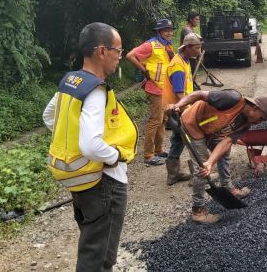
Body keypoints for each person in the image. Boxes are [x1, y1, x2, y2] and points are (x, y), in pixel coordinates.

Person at [43, 22, 137, 271]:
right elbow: (91, 145)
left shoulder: (71, 81)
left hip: (83, 182)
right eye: (118, 50)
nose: (120, 56)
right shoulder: (96, 90)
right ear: (102, 51)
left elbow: (49, 116)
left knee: (91, 245)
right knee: (99, 258)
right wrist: (114, 156)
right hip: (103, 183)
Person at [167, 90, 267, 224]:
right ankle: (198, 211)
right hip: (192, 123)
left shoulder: (246, 124)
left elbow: (227, 142)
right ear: (255, 108)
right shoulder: (231, 99)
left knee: (222, 153)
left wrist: (211, 162)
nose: (259, 122)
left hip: (211, 130)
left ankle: (228, 187)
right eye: (261, 118)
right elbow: (199, 94)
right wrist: (178, 105)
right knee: (202, 168)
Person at [126, 18, 175, 166]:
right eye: (166, 30)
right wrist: (144, 71)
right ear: (159, 31)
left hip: (164, 89)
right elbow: (130, 56)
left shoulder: (167, 46)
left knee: (163, 120)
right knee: (155, 120)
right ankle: (148, 155)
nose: (169, 33)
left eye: (171, 30)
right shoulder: (150, 45)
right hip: (154, 88)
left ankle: (159, 149)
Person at [162, 33, 203, 185]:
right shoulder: (178, 66)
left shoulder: (184, 60)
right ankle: (197, 175)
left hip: (177, 109)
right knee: (193, 139)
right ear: (188, 47)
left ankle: (173, 174)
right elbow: (180, 94)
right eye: (197, 48)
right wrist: (191, 110)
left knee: (178, 141)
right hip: (178, 109)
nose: (199, 51)